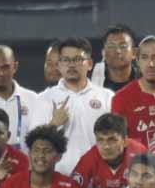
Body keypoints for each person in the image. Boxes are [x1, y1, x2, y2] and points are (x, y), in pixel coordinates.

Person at [34, 37, 114, 176]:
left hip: (98, 180)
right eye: (65, 60)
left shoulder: (107, 97)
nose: (71, 65)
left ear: (89, 64)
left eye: (77, 59)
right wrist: (53, 124)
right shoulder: (44, 99)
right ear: (59, 65)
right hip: (59, 179)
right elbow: (34, 144)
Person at [91, 24, 139, 92]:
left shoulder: (146, 80)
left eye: (123, 46)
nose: (117, 51)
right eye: (111, 46)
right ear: (103, 53)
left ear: (134, 53)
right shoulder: (90, 83)